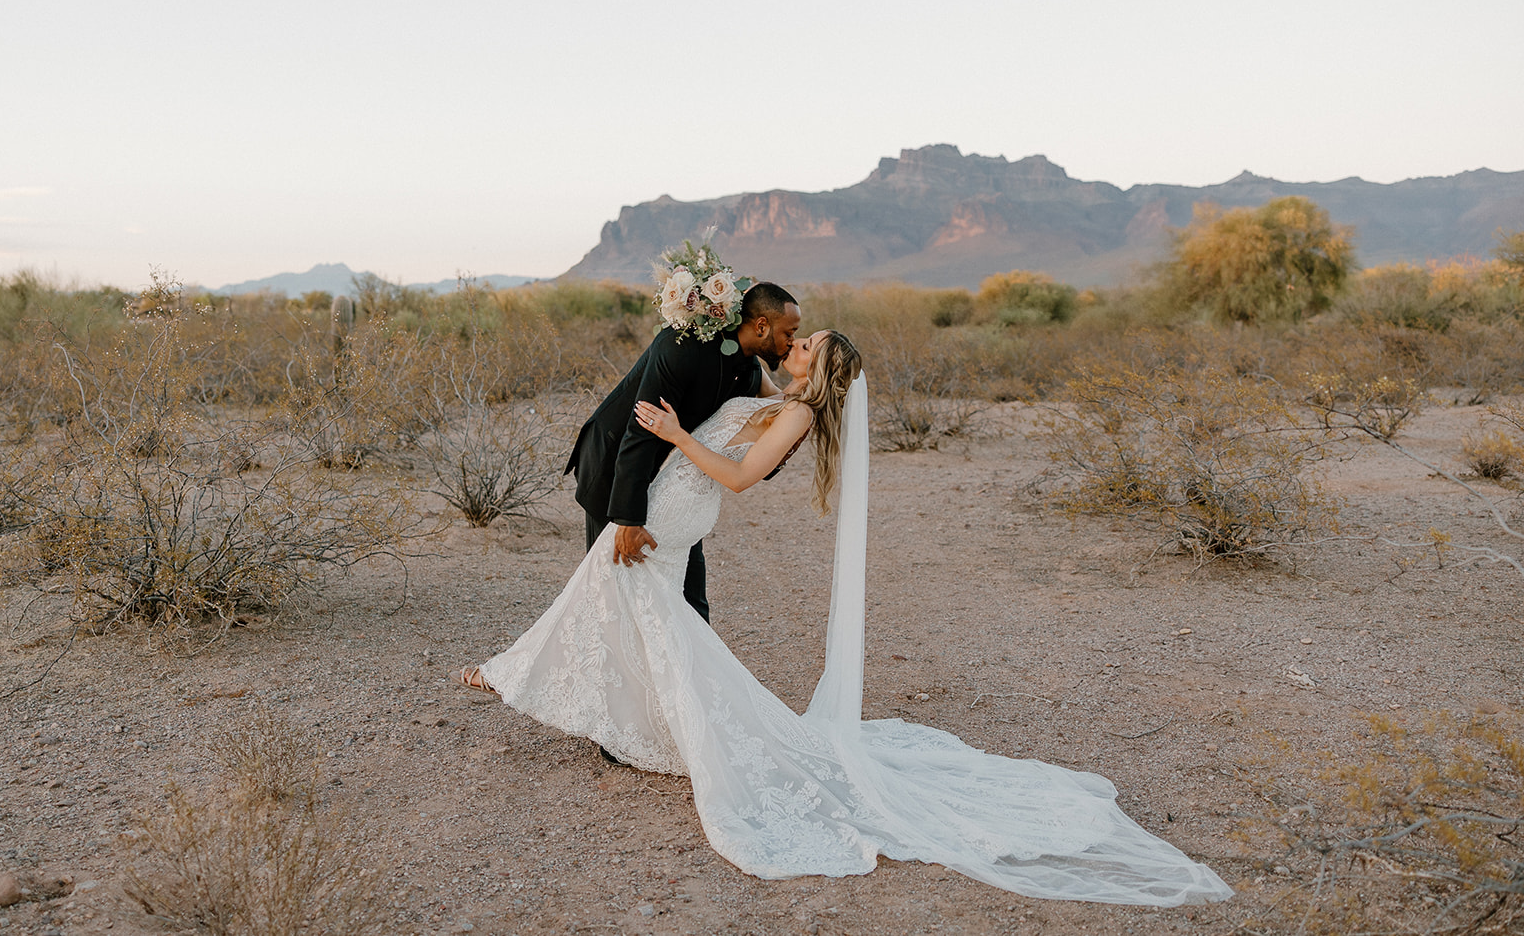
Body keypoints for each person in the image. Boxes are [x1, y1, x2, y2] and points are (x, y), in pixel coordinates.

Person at [461, 331, 1232, 905]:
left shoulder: (795, 415)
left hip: (687, 501)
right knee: (630, 599)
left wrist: (673, 435)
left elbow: (739, 476)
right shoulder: (778, 392)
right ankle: (568, 691)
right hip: (673, 502)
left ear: (822, 370)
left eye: (809, 344)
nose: (796, 343)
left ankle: (515, 675)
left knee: (625, 592)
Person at [563, 281, 801, 623]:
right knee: (612, 583)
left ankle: (691, 672)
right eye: (789, 332)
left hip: (675, 486)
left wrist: (817, 393)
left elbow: (779, 415)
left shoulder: (749, 369)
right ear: (762, 325)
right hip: (616, 466)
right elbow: (640, 429)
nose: (792, 341)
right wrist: (628, 518)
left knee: (689, 593)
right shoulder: (683, 345)